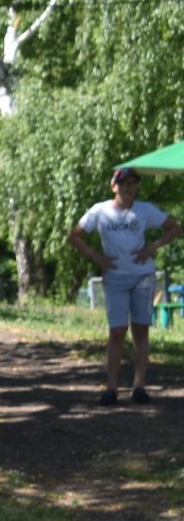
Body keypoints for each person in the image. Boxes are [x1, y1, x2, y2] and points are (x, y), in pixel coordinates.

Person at [69, 166, 179, 404]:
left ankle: (139, 386)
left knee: (141, 329)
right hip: (115, 277)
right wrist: (97, 257)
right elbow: (75, 235)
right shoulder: (100, 211)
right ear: (113, 186)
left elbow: (175, 227)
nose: (128, 187)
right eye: (123, 183)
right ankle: (111, 388)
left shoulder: (144, 210)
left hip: (142, 276)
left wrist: (151, 247)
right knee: (117, 330)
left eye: (132, 183)